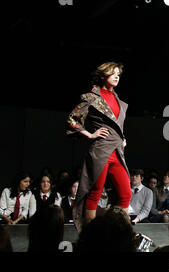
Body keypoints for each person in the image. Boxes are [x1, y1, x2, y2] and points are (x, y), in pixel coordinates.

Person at [66, 62, 132, 232]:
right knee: (95, 193)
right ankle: (91, 236)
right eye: (113, 73)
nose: (117, 76)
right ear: (103, 76)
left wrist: (122, 138)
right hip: (100, 150)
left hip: (117, 151)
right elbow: (73, 119)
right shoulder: (91, 97)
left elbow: (117, 125)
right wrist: (90, 134)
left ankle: (121, 234)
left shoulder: (118, 100)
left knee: (126, 193)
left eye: (119, 74)